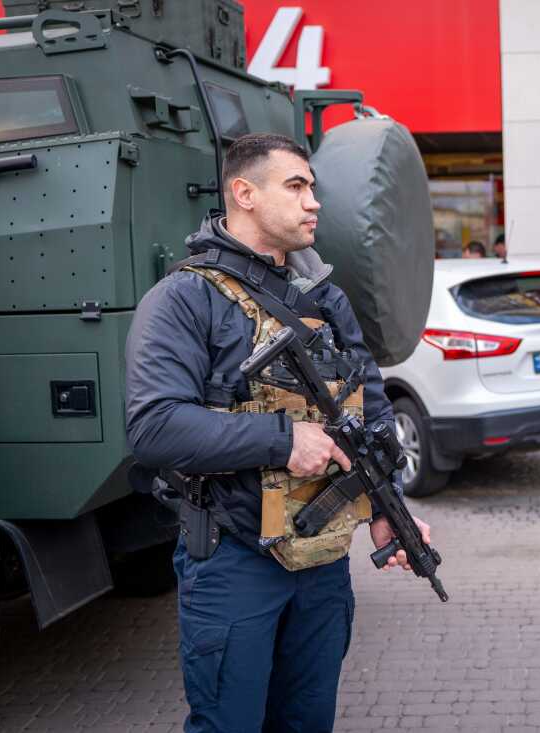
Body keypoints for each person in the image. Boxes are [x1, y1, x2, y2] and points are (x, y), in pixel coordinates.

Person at [125, 133, 431, 731]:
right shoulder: (184, 298)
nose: (313, 201)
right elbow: (154, 426)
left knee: (307, 720)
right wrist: (284, 440)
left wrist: (385, 507)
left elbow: (369, 410)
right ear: (244, 194)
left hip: (321, 561)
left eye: (312, 187)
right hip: (233, 559)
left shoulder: (326, 298)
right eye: (296, 186)